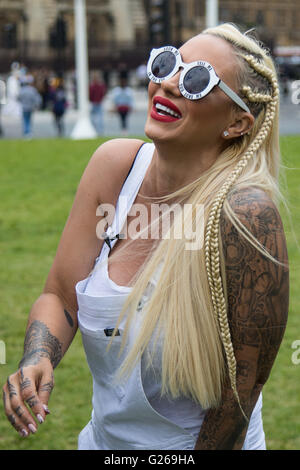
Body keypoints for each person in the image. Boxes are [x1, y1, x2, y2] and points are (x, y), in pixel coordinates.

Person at [2, 23, 289, 450]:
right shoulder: (114, 168)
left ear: (236, 123)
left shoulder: (247, 217)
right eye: (168, 63)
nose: (169, 83)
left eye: (196, 80)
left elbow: (237, 400)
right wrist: (38, 355)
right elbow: (60, 296)